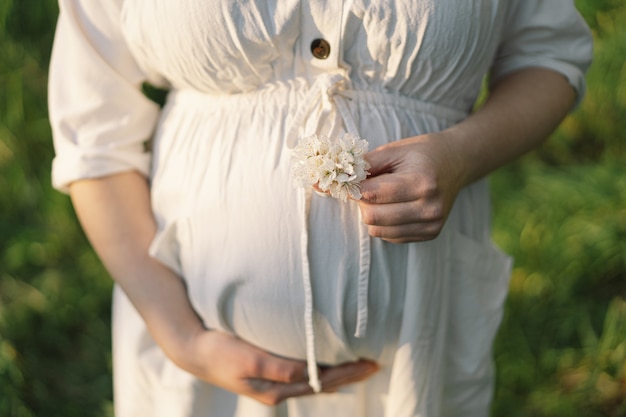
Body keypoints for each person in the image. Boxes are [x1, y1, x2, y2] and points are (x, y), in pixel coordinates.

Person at [48, 1, 593, 416]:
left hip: (413, 353)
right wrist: (182, 337)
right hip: (200, 370)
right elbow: (93, 131)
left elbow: (548, 55)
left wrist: (461, 155)